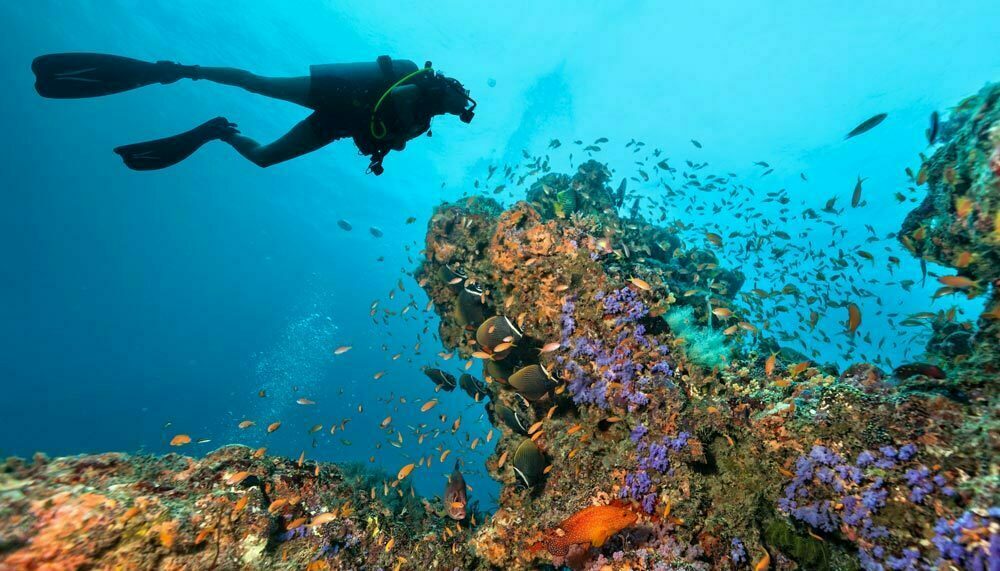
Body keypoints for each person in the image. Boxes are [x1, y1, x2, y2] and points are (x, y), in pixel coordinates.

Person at [31, 53, 476, 175]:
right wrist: (404, 126)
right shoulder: (425, 86)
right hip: (339, 92)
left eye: (460, 111)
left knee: (264, 157)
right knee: (258, 82)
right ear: (454, 92)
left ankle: (219, 132)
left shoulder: (425, 120)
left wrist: (398, 135)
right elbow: (396, 108)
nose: (458, 110)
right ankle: (184, 71)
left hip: (338, 123)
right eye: (461, 104)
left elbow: (391, 140)